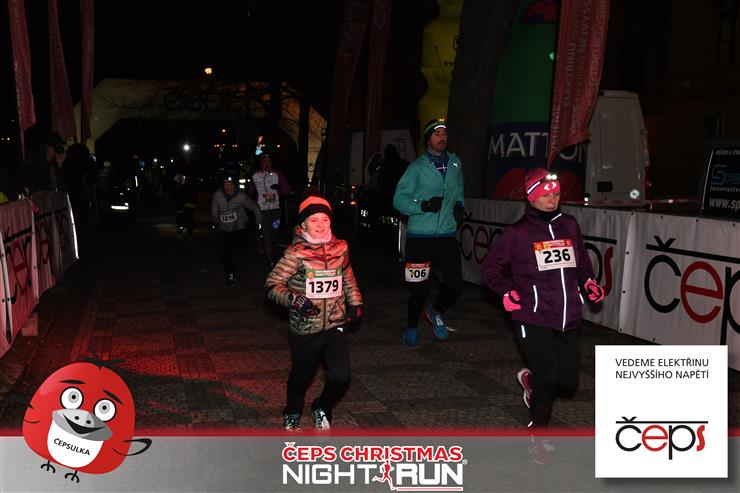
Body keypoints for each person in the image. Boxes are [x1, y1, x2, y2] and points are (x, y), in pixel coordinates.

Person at [481, 168, 605, 465]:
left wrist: (589, 283)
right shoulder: (518, 233)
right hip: (531, 315)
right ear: (531, 197)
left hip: (567, 315)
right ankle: (538, 436)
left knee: (568, 385)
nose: (553, 199)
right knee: (549, 376)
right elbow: (490, 269)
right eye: (547, 195)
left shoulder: (569, 224)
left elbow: (582, 262)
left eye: (557, 194)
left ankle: (533, 383)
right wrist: (506, 291)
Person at [265, 195, 363, 431]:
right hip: (306, 326)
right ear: (303, 224)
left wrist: (356, 303)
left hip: (335, 323)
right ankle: (292, 412)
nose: (320, 224)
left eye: (324, 219)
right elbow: (272, 285)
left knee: (341, 376)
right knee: (302, 375)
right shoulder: (296, 252)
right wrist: (294, 299)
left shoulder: (341, 247)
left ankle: (322, 406)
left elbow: (347, 277)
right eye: (314, 220)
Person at [392, 117, 465, 348]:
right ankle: (411, 327)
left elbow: (459, 189)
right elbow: (398, 200)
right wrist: (422, 205)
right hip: (420, 237)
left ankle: (435, 311)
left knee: (455, 285)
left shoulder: (455, 163)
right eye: (436, 134)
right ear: (427, 140)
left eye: (444, 133)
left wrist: (459, 205)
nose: (442, 138)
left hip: (446, 234)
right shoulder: (416, 168)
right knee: (419, 290)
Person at [211, 172, 261, 286]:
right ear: (223, 186)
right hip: (224, 228)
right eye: (226, 185)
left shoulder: (242, 196)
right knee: (225, 252)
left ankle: (237, 256)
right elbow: (214, 210)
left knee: (238, 248)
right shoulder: (217, 195)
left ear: (235, 185)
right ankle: (230, 273)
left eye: (231, 184)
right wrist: (215, 220)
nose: (229, 187)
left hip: (239, 227)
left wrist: (258, 224)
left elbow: (255, 208)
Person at [248, 151, 292, 266]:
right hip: (261, 211)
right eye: (264, 162)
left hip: (275, 210)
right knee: (267, 235)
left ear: (272, 163)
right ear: (260, 163)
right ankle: (271, 260)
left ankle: (262, 243)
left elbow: (287, 190)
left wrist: (279, 188)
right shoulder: (255, 175)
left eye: (269, 162)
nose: (267, 164)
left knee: (273, 233)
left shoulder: (278, 174)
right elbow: (249, 192)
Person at [172, 155, 197, 242]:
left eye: (189, 157)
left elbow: (196, 182)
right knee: (180, 216)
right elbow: (176, 183)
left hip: (191, 197)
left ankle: (190, 235)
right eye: (186, 157)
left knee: (190, 217)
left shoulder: (195, 166)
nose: (188, 159)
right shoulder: (179, 166)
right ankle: (179, 231)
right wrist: (178, 184)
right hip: (181, 197)